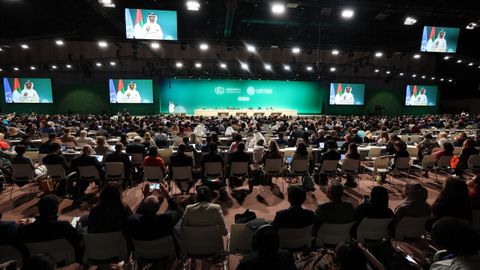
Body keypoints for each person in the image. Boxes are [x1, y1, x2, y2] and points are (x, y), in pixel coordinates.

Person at [18, 194, 82, 261]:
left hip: (40, 261)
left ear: (39, 209)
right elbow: (78, 238)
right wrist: (79, 227)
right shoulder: (64, 226)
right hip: (66, 258)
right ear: (56, 209)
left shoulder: (23, 230)